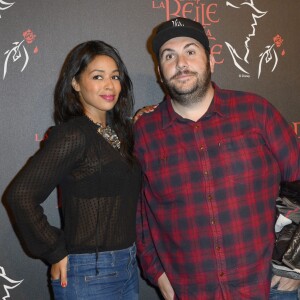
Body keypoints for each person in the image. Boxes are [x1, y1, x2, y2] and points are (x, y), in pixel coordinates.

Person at [134, 17, 300, 299]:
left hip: (268, 287)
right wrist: (156, 272)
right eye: (169, 56)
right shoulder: (145, 133)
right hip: (191, 291)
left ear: (210, 61)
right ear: (160, 72)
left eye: (190, 51)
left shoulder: (256, 112)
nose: (181, 63)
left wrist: (293, 265)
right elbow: (140, 212)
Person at [5, 40, 141, 300]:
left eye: (115, 76)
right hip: (89, 273)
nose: (110, 85)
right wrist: (54, 250)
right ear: (76, 83)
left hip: (128, 267)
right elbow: (20, 195)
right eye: (98, 76)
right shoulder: (73, 134)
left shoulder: (120, 134)